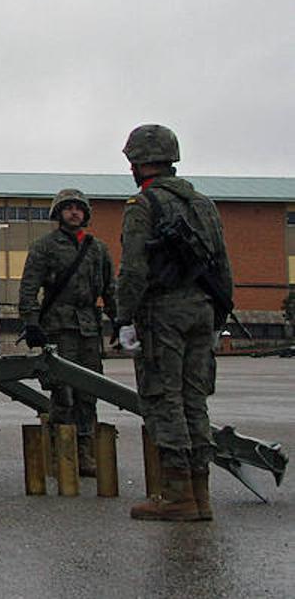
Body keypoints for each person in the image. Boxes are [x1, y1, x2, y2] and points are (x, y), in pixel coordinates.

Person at [116, 124, 233, 522]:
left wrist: (123, 317)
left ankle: (178, 495)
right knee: (194, 400)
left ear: (136, 163)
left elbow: (133, 268)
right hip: (203, 309)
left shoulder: (142, 205)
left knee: (164, 400)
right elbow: (222, 264)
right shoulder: (204, 204)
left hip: (162, 312)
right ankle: (201, 495)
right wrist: (218, 315)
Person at [17, 187, 117, 476]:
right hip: (58, 328)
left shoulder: (98, 249)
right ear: (58, 213)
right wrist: (31, 322)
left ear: (85, 213)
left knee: (88, 391)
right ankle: (61, 452)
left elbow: (111, 289)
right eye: (68, 207)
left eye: (78, 207)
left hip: (88, 328)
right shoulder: (45, 246)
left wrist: (121, 321)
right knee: (63, 392)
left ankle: (85, 452)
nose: (74, 212)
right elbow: (29, 287)